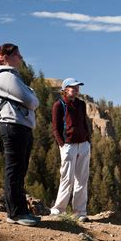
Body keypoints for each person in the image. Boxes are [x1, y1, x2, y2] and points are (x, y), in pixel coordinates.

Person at [0, 43, 40, 226]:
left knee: (19, 171)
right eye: (17, 54)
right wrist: (32, 95)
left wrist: (31, 96)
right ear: (4, 56)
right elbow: (32, 101)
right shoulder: (6, 77)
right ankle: (15, 213)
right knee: (14, 171)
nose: (21, 57)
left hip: (18, 127)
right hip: (13, 127)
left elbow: (30, 99)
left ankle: (21, 211)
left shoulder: (11, 77)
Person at [51, 78, 91, 222]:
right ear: (65, 89)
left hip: (83, 145)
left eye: (77, 87)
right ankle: (58, 210)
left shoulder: (81, 104)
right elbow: (55, 128)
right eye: (73, 87)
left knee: (82, 179)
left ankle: (80, 212)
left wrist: (88, 141)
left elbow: (84, 123)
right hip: (69, 146)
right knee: (67, 178)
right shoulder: (59, 105)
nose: (76, 89)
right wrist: (62, 145)